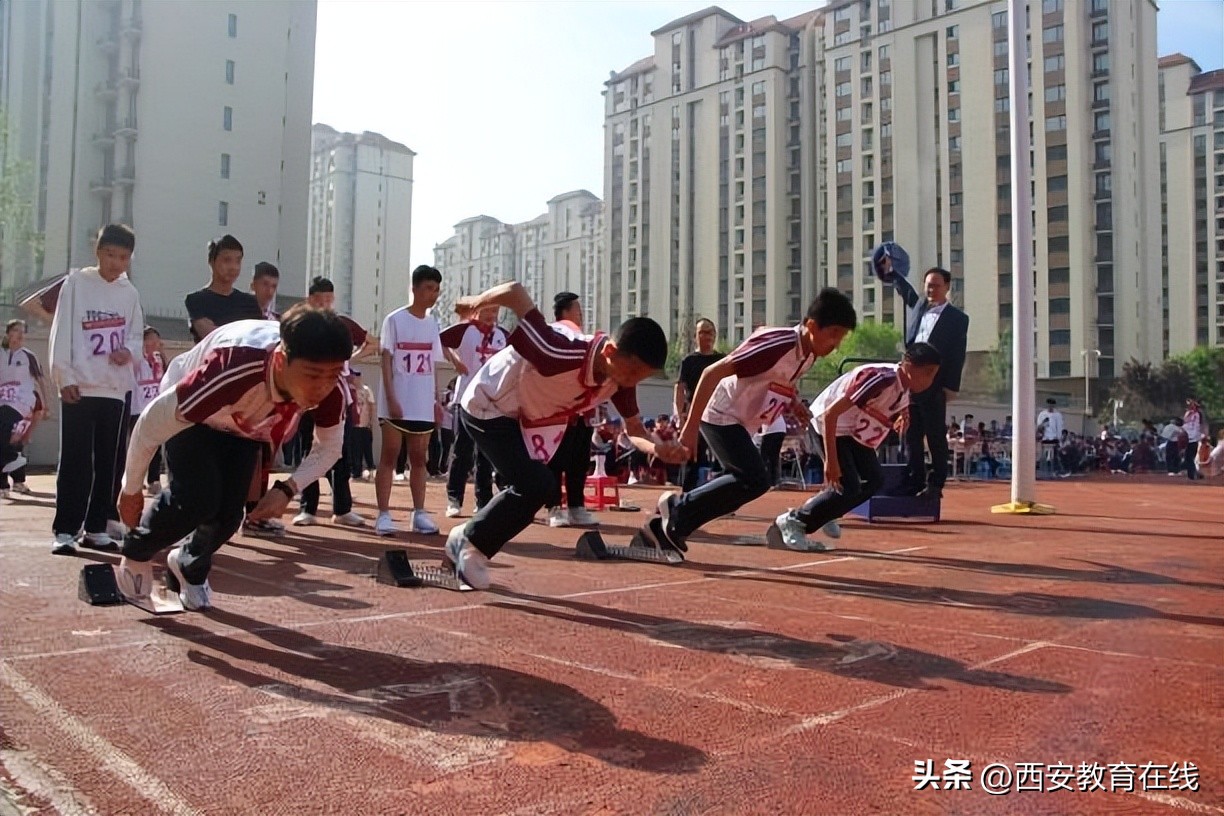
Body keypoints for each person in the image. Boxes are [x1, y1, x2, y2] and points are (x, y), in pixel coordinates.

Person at [444, 281, 688, 589]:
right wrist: (474, 303)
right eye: (632, 372)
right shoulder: (558, 350)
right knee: (536, 484)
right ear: (611, 351)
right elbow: (516, 292)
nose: (632, 382)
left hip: (531, 418)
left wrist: (658, 448)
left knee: (539, 488)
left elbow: (635, 430)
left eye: (642, 377)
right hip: (488, 403)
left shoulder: (619, 377)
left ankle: (470, 539)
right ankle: (468, 542)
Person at [114, 306, 352, 610]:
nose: (323, 386)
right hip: (197, 412)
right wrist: (130, 489)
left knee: (230, 515)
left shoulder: (333, 388)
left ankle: (188, 565)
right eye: (313, 375)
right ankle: (136, 552)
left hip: (246, 423)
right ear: (281, 360)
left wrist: (288, 489)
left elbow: (330, 447)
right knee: (197, 498)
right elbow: (150, 424)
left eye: (332, 374)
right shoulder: (233, 367)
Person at [642, 289, 857, 554]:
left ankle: (675, 524)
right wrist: (689, 429)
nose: (836, 344)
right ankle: (677, 510)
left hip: (742, 421)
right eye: (834, 334)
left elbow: (777, 380)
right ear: (812, 326)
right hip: (720, 413)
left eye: (842, 337)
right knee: (754, 479)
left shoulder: (809, 354)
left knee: (747, 482)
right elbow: (711, 374)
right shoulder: (776, 343)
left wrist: (793, 403)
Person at [769, 344, 942, 550]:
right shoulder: (879, 378)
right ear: (908, 365)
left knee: (875, 479)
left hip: (852, 434)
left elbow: (893, 404)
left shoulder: (904, 390)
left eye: (934, 375)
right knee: (848, 485)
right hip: (827, 425)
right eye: (928, 373)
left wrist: (903, 414)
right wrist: (831, 461)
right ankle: (793, 520)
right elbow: (830, 414)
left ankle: (825, 511)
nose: (930, 381)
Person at [48, 225, 145, 554]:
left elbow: (135, 335)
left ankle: (95, 527)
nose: (116, 263)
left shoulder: (129, 293)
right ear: (97, 252)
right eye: (110, 255)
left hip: (113, 390)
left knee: (108, 461)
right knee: (75, 459)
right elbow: (62, 330)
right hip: (79, 386)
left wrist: (128, 352)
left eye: (123, 257)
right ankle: (65, 529)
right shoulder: (76, 283)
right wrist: (65, 377)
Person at [876, 245, 968, 500]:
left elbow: (957, 354)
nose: (931, 289)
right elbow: (906, 292)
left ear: (947, 287)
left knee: (935, 435)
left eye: (936, 285)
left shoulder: (958, 319)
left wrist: (951, 387)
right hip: (909, 382)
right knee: (910, 434)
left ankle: (936, 483)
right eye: (928, 285)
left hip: (934, 383)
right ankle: (913, 480)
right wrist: (892, 273)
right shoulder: (919, 307)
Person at [292, 278, 369, 528]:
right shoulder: (301, 325)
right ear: (310, 299)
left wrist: (350, 360)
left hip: (337, 396)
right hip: (307, 395)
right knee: (309, 451)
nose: (324, 304)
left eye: (328, 299)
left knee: (340, 453)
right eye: (319, 299)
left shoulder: (341, 324)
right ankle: (308, 508)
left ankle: (342, 508)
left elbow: (372, 342)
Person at [375, 265, 445, 536]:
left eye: (437, 289)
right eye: (429, 288)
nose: (433, 294)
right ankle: (383, 514)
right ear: (414, 288)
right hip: (397, 401)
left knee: (419, 459)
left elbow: (433, 364)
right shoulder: (394, 320)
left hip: (422, 402)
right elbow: (386, 359)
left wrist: (436, 400)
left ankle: (419, 513)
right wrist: (391, 398)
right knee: (389, 456)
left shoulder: (432, 323)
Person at [440, 302, 508, 518]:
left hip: (491, 403)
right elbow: (439, 339)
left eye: (495, 312)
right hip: (464, 399)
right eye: (487, 311)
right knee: (462, 451)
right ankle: (454, 498)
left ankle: (484, 500)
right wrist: (455, 361)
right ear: (478, 311)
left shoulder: (502, 335)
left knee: (486, 454)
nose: (491, 316)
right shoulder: (465, 330)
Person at [545, 291, 600, 528]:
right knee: (556, 462)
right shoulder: (553, 335)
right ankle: (554, 507)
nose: (581, 314)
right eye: (577, 310)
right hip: (557, 412)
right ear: (565, 312)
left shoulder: (582, 338)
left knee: (579, 460)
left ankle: (577, 507)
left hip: (581, 411)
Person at [674, 318, 725, 491]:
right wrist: (680, 417)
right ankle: (687, 497)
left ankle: (723, 499)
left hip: (718, 416)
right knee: (692, 458)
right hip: (694, 417)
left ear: (715, 335)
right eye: (702, 332)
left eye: (710, 332)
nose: (706, 336)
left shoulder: (722, 360)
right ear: (695, 336)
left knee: (723, 459)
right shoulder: (689, 361)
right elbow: (680, 389)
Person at [1, 319, 51, 497]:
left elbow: (41, 380)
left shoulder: (28, 356)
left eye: (23, 330)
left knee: (12, 434)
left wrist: (45, 404)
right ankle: (5, 482)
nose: (21, 334)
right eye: (16, 330)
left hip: (22, 402)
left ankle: (16, 475)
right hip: (3, 401)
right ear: (8, 334)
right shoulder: (1, 354)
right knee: (6, 436)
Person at [184, 235, 263, 343]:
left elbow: (260, 338)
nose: (233, 267)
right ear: (212, 261)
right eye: (227, 260)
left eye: (238, 261)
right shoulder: (196, 300)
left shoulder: (249, 302)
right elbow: (212, 337)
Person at [132, 326, 166, 496]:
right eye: (150, 339)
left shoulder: (160, 359)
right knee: (136, 447)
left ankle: (154, 480)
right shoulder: (136, 360)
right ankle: (133, 481)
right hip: (137, 408)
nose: (154, 343)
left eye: (156, 339)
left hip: (155, 407)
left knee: (155, 446)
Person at [349, 371, 376, 478]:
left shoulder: (367, 390)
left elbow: (372, 406)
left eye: (357, 375)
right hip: (354, 425)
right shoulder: (350, 390)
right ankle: (356, 471)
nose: (356, 377)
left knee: (367, 449)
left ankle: (371, 470)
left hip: (365, 425)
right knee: (355, 449)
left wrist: (371, 422)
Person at [1037, 398, 1065, 476]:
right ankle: (1044, 470)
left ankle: (1055, 471)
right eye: (1049, 405)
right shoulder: (1042, 414)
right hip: (1045, 438)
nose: (1050, 407)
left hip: (1054, 438)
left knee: (1055, 456)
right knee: (1044, 455)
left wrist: (1059, 439)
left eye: (1052, 405)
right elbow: (1039, 427)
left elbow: (1059, 428)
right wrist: (1043, 424)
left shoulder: (1058, 415)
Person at [1183, 399, 1205, 481]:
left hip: (1194, 438)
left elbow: (1187, 421)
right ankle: (1193, 474)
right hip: (1189, 438)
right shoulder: (1189, 414)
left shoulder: (1198, 414)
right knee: (1189, 457)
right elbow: (1185, 421)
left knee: (1190, 457)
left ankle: (1192, 475)